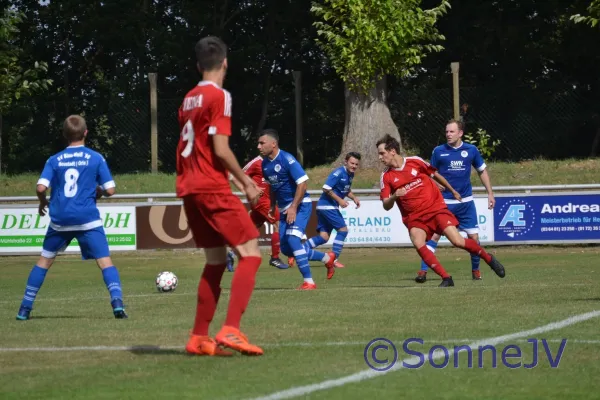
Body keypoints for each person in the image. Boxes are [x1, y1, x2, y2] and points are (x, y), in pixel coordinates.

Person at [177, 36, 264, 357]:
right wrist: (246, 184)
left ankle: (199, 337)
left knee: (215, 261)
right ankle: (231, 329)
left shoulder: (188, 98)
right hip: (211, 187)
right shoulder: (220, 96)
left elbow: (199, 149)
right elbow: (220, 148)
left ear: (199, 66)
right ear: (225, 63)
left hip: (188, 188)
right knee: (251, 253)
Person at [16, 115, 127, 320]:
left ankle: (24, 308)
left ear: (64, 135)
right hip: (87, 219)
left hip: (60, 220)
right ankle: (117, 304)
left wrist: (42, 202)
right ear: (86, 133)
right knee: (105, 262)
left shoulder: (54, 159)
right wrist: (98, 192)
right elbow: (110, 189)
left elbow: (41, 187)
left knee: (44, 261)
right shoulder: (96, 157)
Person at [376, 134, 506, 287]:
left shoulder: (415, 161)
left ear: (392, 151)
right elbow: (386, 205)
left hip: (435, 209)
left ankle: (488, 258)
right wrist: (394, 197)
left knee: (457, 241)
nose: (379, 157)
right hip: (414, 217)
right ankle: (446, 278)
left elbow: (434, 174)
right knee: (418, 242)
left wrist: (452, 190)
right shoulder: (386, 176)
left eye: (382, 153)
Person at [415, 119, 496, 283]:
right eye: (446, 132)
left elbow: (482, 171)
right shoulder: (438, 151)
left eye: (452, 132)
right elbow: (429, 174)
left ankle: (476, 270)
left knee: (473, 239)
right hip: (443, 203)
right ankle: (423, 271)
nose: (448, 135)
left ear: (460, 133)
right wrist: (435, 184)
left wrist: (490, 193)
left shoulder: (471, 150)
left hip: (466, 204)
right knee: (434, 237)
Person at [258, 129, 336, 290]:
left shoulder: (287, 159)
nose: (259, 146)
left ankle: (309, 282)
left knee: (294, 241)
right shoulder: (265, 164)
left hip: (300, 205)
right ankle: (327, 259)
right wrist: (273, 206)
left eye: (262, 143)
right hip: (285, 208)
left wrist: (293, 207)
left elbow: (302, 184)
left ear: (273, 144)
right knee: (287, 249)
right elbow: (273, 187)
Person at [227, 155, 287, 271]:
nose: (260, 147)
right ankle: (275, 257)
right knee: (278, 223)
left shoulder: (276, 162)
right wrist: (251, 190)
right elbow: (238, 175)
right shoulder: (256, 162)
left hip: (269, 201)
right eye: (260, 144)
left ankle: (230, 254)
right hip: (261, 201)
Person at [304, 152, 362, 268]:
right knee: (343, 230)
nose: (354, 166)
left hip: (324, 207)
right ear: (346, 162)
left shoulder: (350, 174)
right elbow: (326, 188)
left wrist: (354, 197)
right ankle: (333, 259)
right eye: (352, 163)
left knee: (324, 237)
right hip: (327, 206)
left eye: (356, 164)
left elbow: (346, 189)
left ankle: (299, 251)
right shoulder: (339, 172)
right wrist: (340, 200)